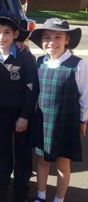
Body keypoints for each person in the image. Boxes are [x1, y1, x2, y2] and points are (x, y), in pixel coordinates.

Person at [0, 10, 39, 202]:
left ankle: (21, 188)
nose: (1, 36)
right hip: (0, 112)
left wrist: (25, 115)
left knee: (22, 152)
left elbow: (31, 87)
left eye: (7, 32)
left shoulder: (25, 56)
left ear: (15, 35)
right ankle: (2, 184)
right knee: (2, 150)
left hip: (21, 112)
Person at [29, 18, 87, 202]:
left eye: (58, 37)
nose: (52, 41)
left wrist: (83, 119)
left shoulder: (78, 65)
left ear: (67, 40)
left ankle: (59, 199)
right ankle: (41, 195)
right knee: (42, 160)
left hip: (65, 122)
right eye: (47, 37)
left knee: (62, 164)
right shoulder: (40, 62)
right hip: (44, 119)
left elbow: (85, 95)